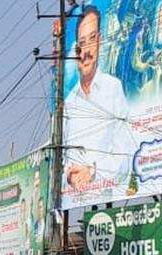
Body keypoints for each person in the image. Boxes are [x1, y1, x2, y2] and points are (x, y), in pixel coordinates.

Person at [64, 5, 135, 196]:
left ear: (100, 41)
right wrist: (69, 175)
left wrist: (92, 172)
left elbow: (125, 158)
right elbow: (58, 161)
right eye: (81, 43)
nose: (86, 51)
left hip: (107, 196)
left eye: (92, 39)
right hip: (72, 200)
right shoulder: (68, 103)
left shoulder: (113, 89)